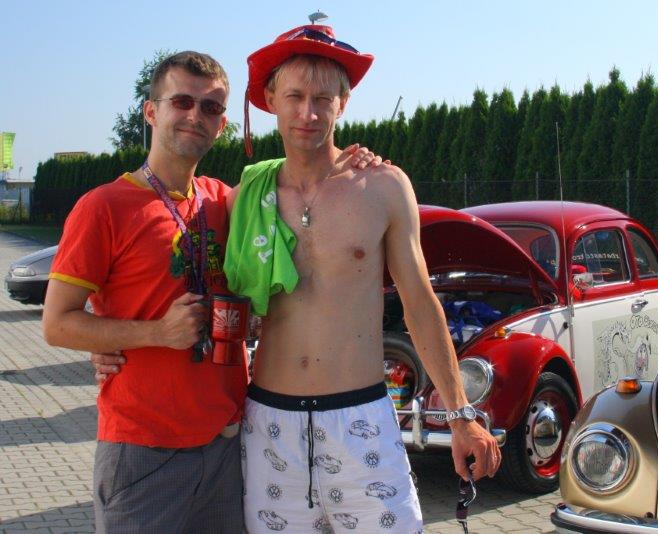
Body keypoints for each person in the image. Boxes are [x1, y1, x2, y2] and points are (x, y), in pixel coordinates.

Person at [42, 50, 381, 533]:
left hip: (228, 446)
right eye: (182, 101)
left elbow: (300, 174)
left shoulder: (229, 201)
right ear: (151, 110)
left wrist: (353, 160)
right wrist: (154, 333)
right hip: (145, 451)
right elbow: (57, 324)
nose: (195, 116)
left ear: (222, 124)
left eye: (211, 107)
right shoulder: (104, 207)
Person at [226, 25, 501, 532]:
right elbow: (187, 272)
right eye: (295, 97)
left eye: (322, 99)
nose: (308, 113)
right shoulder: (245, 196)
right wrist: (115, 339)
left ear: (343, 103)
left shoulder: (383, 187)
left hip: (360, 421)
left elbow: (420, 302)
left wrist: (460, 414)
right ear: (271, 100)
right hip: (270, 426)